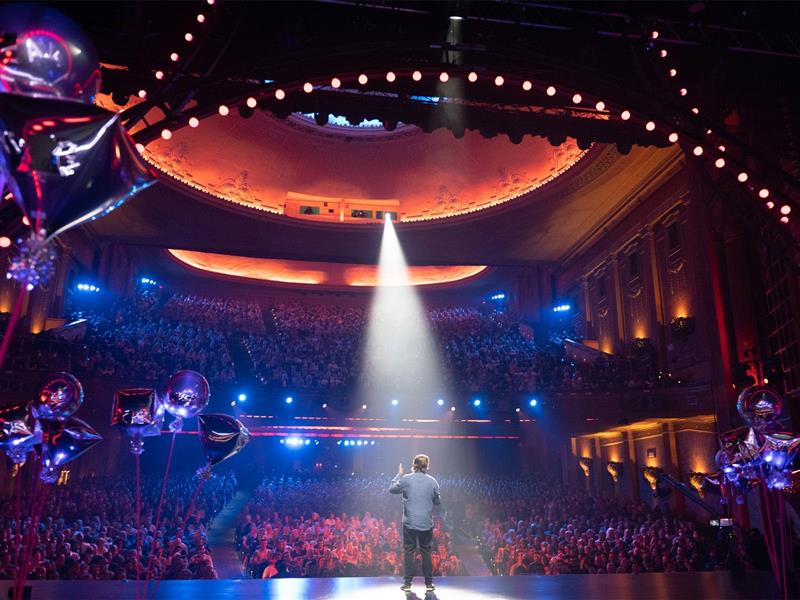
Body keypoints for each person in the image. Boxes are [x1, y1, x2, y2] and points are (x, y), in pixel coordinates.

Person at [389, 454, 441, 593]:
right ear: (426, 466)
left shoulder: (406, 479)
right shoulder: (433, 481)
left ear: (414, 465)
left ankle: (407, 583)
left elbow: (392, 489)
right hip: (425, 523)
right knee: (426, 552)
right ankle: (429, 584)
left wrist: (399, 474)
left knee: (409, 552)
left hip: (410, 523)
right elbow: (437, 502)